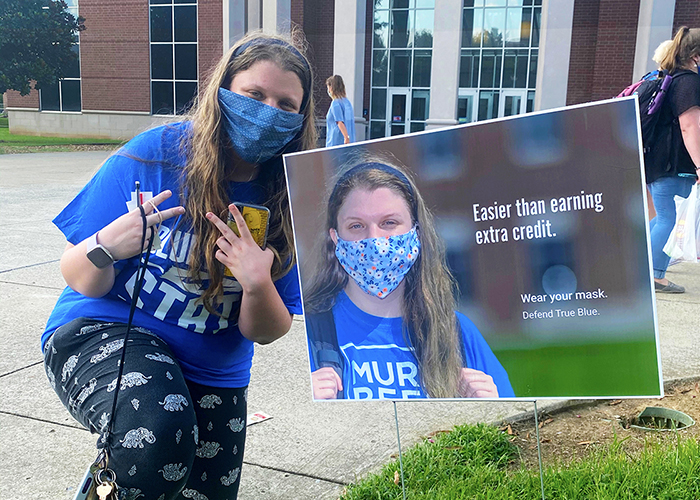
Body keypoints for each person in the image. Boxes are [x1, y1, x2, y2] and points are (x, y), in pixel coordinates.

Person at [41, 32, 316, 500]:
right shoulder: (154, 154)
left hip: (215, 371)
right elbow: (77, 276)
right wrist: (110, 243)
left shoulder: (293, 197)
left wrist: (256, 284)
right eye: (254, 95)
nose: (269, 111)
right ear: (224, 91)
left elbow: (267, 331)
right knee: (159, 435)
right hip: (103, 332)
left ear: (301, 117)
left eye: (286, 104)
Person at [303, 160, 515, 400]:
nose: (375, 240)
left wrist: (491, 408)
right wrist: (300, 408)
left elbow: (513, 431)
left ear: (416, 232)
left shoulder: (456, 333)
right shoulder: (305, 332)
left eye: (389, 223)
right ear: (335, 237)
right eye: (356, 226)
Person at [647, 27, 700, 294]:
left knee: (662, 218)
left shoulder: (671, 78)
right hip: (673, 164)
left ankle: (644, 268)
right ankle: (653, 276)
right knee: (668, 220)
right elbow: (689, 127)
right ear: (696, 55)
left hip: (658, 163)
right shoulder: (689, 82)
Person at [325, 75, 356, 147]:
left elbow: (339, 122)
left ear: (331, 88)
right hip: (351, 143)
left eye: (328, 87)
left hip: (336, 143)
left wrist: (346, 137)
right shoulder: (347, 102)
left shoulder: (335, 103)